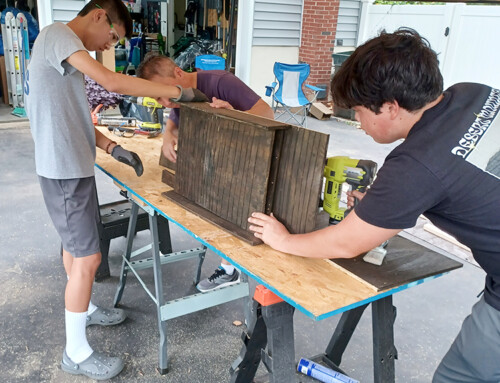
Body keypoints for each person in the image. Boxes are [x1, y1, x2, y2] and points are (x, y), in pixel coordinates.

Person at [248, 28, 500, 383]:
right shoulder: (474, 93)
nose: (358, 122)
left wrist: (284, 240)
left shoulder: (416, 162)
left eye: (359, 112)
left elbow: (348, 242)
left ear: (391, 107)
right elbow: (466, 179)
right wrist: (386, 208)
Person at [24, 0, 206, 380]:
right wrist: (177, 91)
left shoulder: (65, 53)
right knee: (89, 259)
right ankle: (74, 353)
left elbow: (69, 115)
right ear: (98, 16)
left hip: (72, 167)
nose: (109, 46)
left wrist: (111, 147)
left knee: (76, 250)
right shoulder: (59, 35)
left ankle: (85, 308)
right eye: (113, 36)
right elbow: (112, 82)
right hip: (63, 172)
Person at [136, 53, 274, 292]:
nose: (166, 103)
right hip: (219, 162)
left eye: (166, 94)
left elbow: (267, 115)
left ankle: (229, 271)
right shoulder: (180, 95)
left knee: (236, 217)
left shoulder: (221, 82)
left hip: (249, 162)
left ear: (179, 73)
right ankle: (229, 267)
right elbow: (174, 118)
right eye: (158, 99)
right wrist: (168, 134)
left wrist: (232, 114)